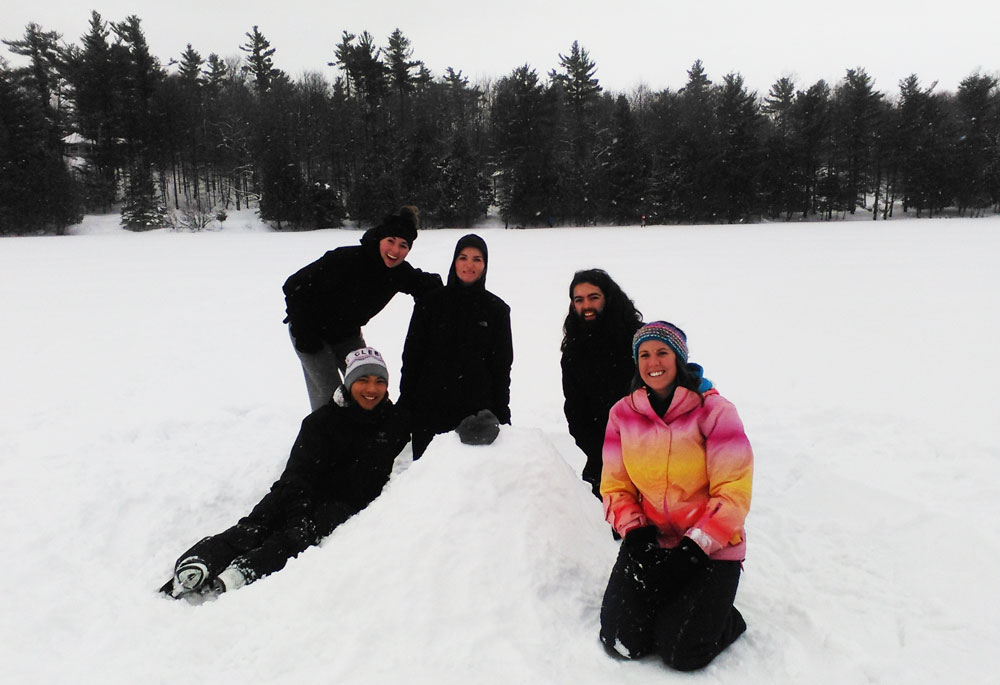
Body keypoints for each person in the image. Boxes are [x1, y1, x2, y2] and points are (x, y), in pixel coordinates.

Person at [161, 347, 410, 600]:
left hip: (341, 503)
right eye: (363, 380)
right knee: (258, 523)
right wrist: (297, 510)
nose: (371, 389)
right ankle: (200, 562)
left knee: (298, 537)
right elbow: (298, 474)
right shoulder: (320, 423)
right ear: (348, 382)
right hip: (299, 489)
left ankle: (245, 570)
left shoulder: (394, 424)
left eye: (379, 382)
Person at [599, 321, 753, 671]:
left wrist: (694, 549)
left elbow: (733, 492)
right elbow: (615, 486)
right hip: (651, 541)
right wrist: (636, 534)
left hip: (710, 547)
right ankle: (679, 607)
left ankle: (726, 617)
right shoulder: (622, 414)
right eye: (645, 354)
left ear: (679, 358)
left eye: (662, 352)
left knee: (683, 653)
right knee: (623, 641)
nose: (654, 361)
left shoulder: (715, 412)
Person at [282, 205, 442, 411]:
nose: (395, 251)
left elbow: (424, 285)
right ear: (380, 239)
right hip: (310, 332)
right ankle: (323, 439)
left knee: (368, 384)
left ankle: (371, 436)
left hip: (346, 335)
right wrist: (304, 332)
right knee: (330, 397)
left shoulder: (398, 273)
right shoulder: (344, 259)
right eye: (390, 241)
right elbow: (293, 285)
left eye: (403, 245)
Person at [398, 234, 513, 459]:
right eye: (463, 257)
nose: (469, 265)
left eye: (477, 259)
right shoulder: (429, 303)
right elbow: (412, 357)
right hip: (429, 408)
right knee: (429, 480)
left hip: (476, 412)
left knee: (470, 482)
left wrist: (501, 412)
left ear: (485, 265)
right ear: (454, 261)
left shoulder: (497, 310)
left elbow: (501, 367)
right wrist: (406, 403)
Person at [560, 269, 644, 498]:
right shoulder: (573, 352)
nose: (586, 305)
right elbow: (575, 411)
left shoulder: (639, 340)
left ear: (608, 297)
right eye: (579, 300)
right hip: (602, 456)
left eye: (593, 297)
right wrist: (603, 453)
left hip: (650, 451)